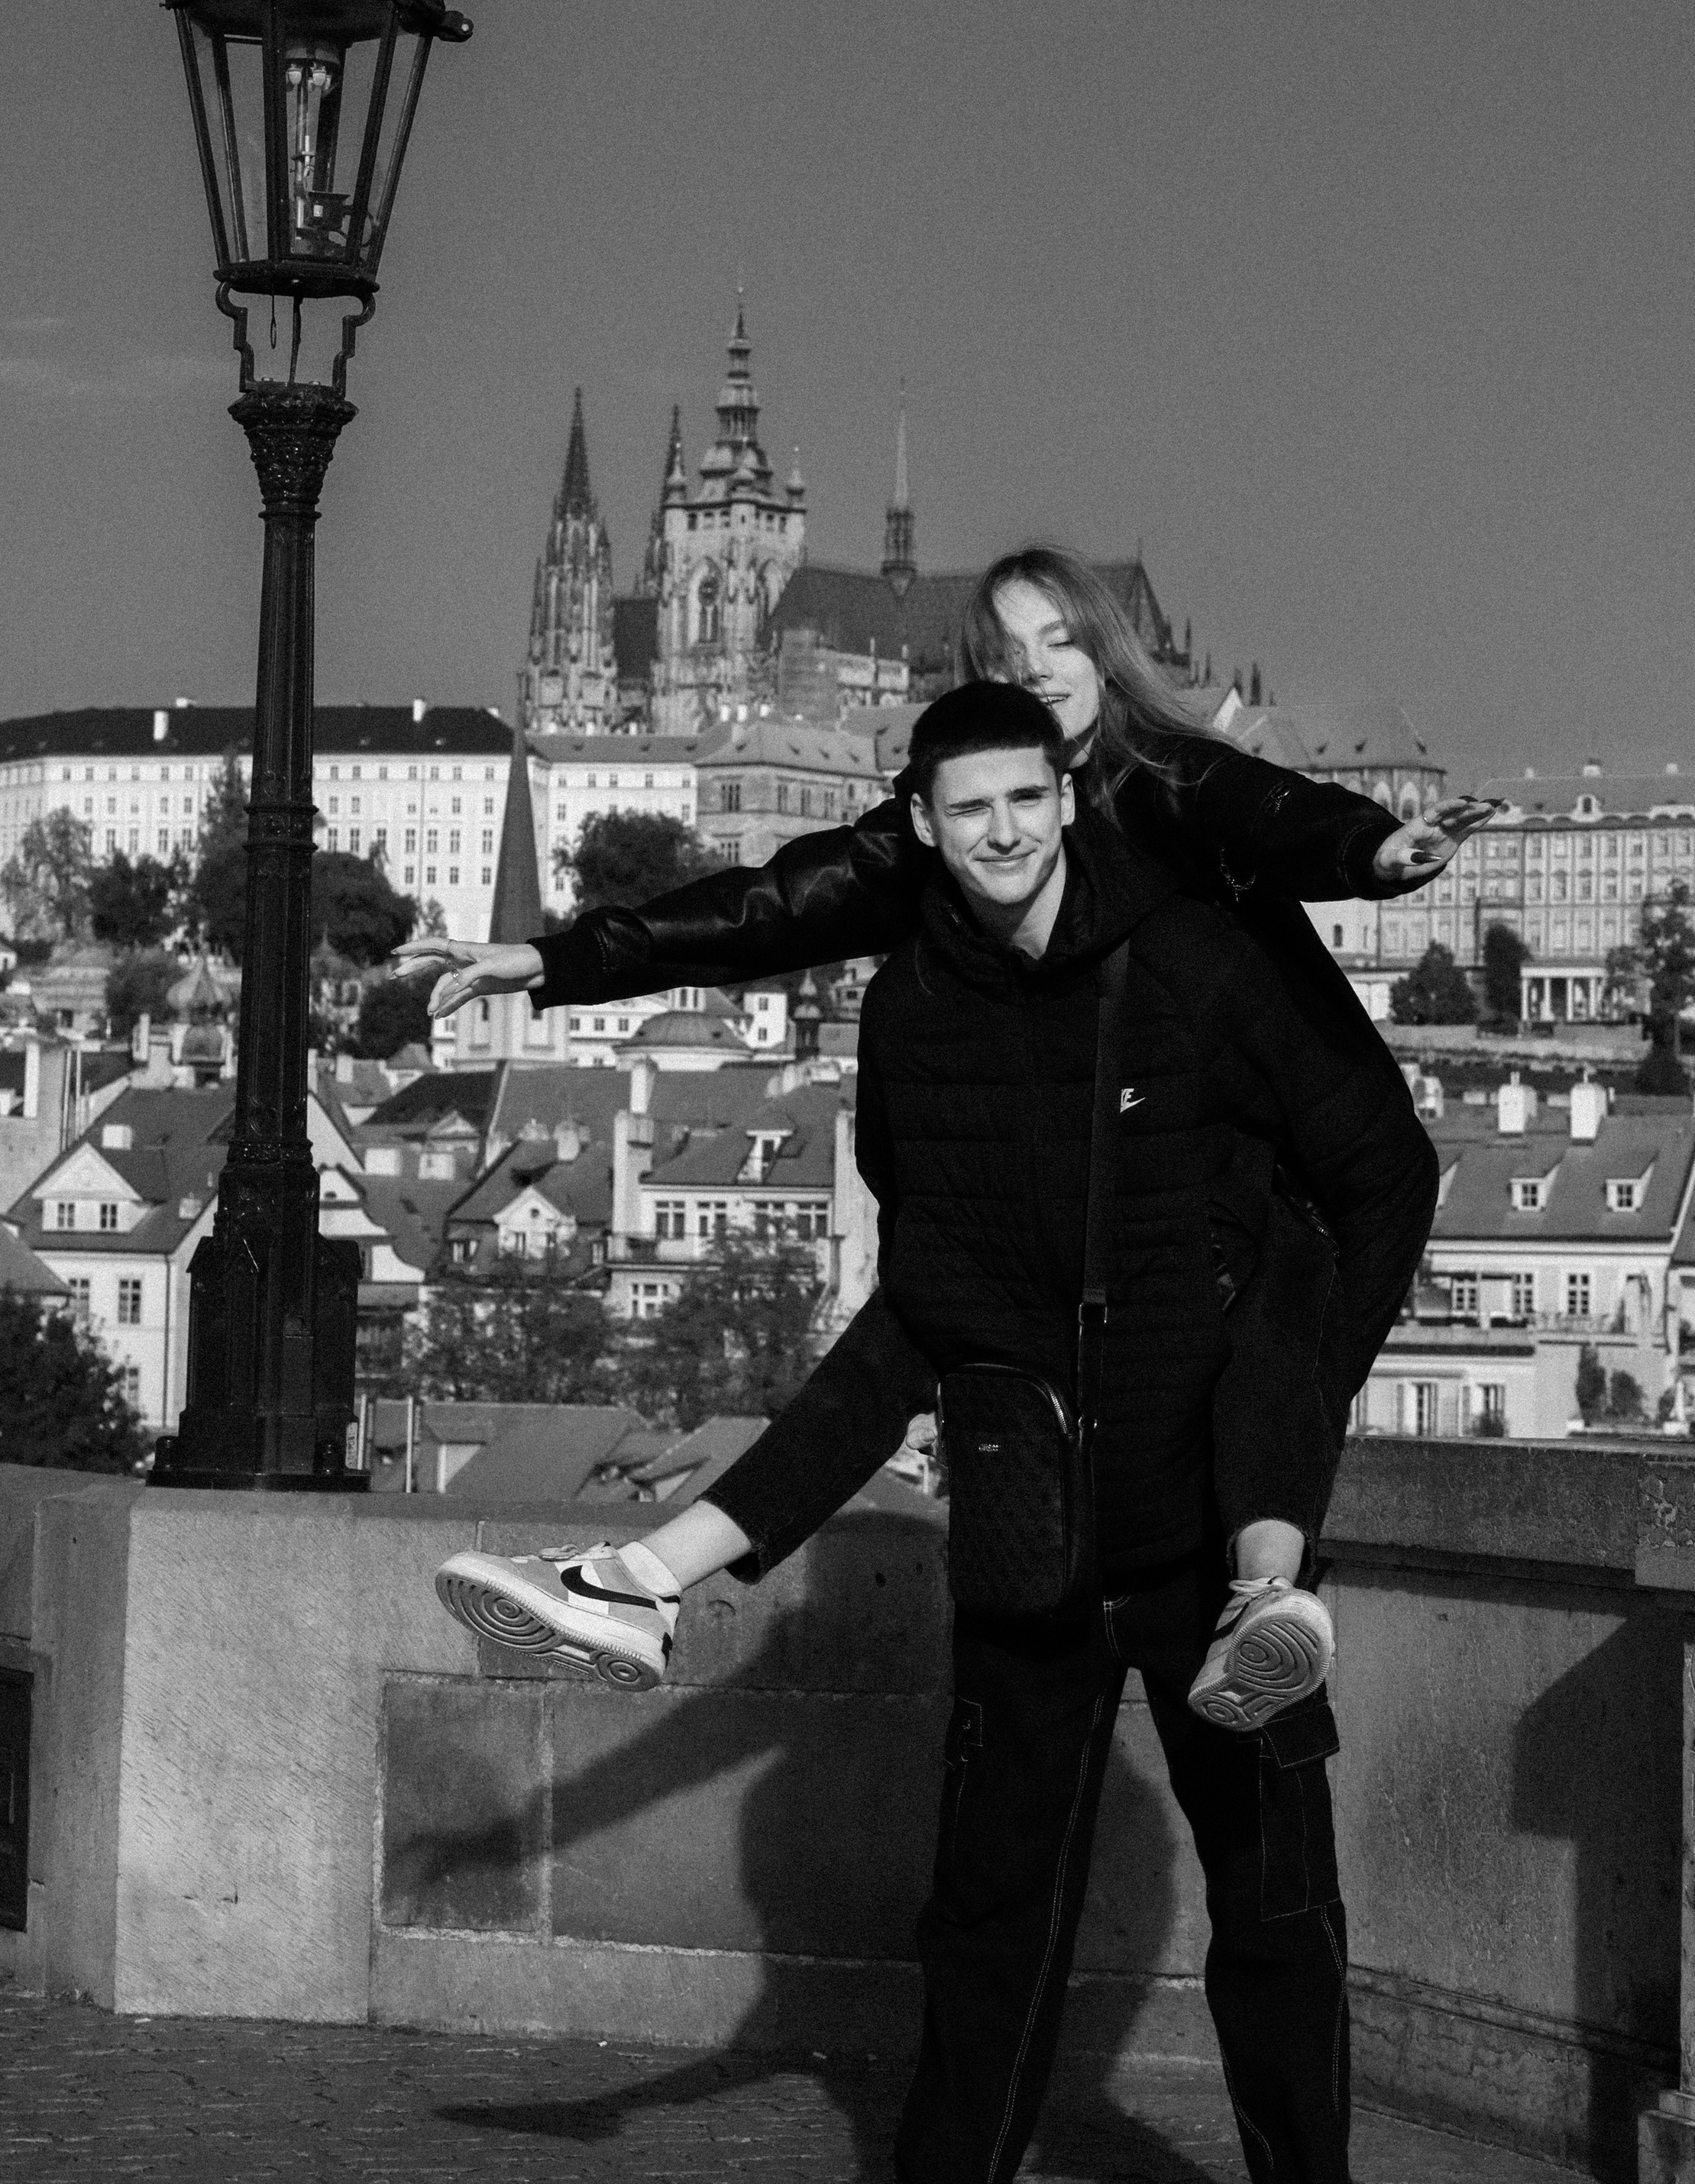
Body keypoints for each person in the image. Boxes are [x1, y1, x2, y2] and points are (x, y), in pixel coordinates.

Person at [435, 682, 1376, 2184]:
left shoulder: (1191, 957)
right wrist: (559, 966)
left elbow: (1337, 1183)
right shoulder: (913, 1006)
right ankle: (639, 1581)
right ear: (921, 828)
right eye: (965, 810)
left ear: (1065, 797)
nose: (998, 830)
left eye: (1022, 799)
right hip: (1037, 1510)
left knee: (1270, 1912)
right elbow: (918, 1304)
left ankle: (1272, 1592)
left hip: (1203, 1480)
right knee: (984, 1921)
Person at [398, 544, 1490, 1419]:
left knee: (1273, 1443)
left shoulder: (1164, 773)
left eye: (1061, 640)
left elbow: (1271, 813)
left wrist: (1375, 854)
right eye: (1010, 656)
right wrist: (552, 958)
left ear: (1105, 654)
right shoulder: (973, 815)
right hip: (1211, 1188)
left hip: (1339, 1164)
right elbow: (779, 905)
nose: (1039, 672)